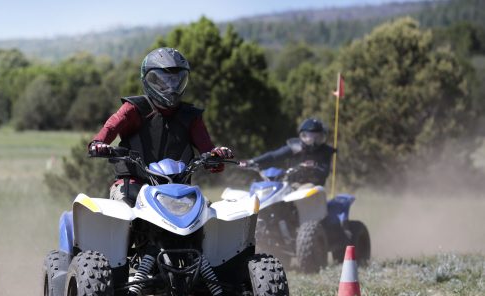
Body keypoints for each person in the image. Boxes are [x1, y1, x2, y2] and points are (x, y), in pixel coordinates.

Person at [88, 47, 233, 204]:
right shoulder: (135, 108)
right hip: (134, 185)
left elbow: (209, 152)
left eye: (177, 81)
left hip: (178, 190)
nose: (171, 87)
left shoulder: (191, 116)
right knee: (121, 212)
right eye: (164, 81)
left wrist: (216, 156)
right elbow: (111, 126)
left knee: (206, 214)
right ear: (149, 81)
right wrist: (99, 143)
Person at [240, 118, 335, 186]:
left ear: (323, 137)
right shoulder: (295, 147)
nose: (314, 142)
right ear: (302, 136)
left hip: (312, 188)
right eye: (310, 137)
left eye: (318, 138)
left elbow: (325, 172)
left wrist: (315, 167)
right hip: (290, 185)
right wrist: (251, 161)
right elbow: (273, 156)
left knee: (305, 191)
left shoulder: (325, 151)